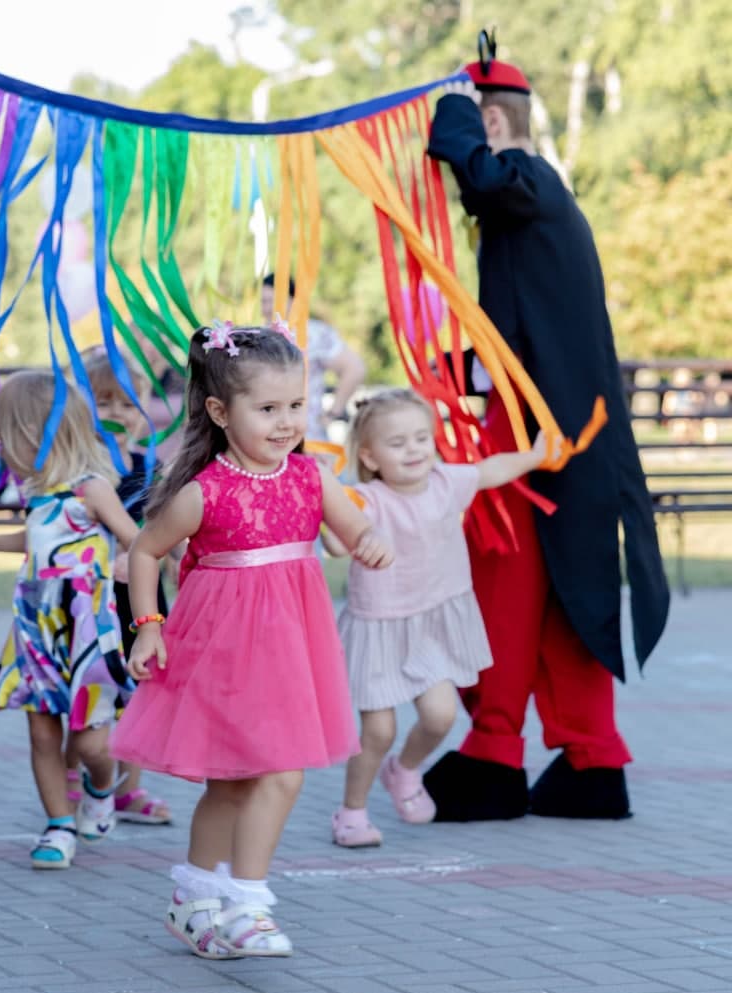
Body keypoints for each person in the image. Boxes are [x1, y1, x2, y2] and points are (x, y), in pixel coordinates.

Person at [420, 52, 669, 820]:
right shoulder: (540, 205)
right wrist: (466, 370)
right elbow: (529, 326)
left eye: (472, 133)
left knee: (504, 585)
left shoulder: (529, 183)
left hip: (543, 439)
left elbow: (489, 178)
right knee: (562, 595)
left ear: (493, 124)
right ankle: (591, 758)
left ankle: (497, 752)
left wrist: (455, 114)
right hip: (553, 429)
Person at [112, 322, 393, 958]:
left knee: (266, 777)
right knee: (248, 780)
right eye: (267, 409)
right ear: (219, 411)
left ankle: (211, 901)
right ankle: (232, 903)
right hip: (224, 652)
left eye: (295, 405)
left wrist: (372, 543)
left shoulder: (311, 477)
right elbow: (144, 551)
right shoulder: (202, 492)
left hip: (294, 651)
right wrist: (148, 626)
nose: (285, 421)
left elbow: (357, 528)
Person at [323, 389, 547, 847]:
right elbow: (333, 544)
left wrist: (535, 455)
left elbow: (491, 470)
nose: (414, 450)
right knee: (378, 731)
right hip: (380, 627)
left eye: (422, 438)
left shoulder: (446, 482)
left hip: (432, 624)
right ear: (369, 454)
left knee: (441, 716)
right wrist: (328, 511)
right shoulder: (366, 498)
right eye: (398, 442)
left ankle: (403, 771)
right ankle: (352, 811)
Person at [0, 370, 140, 870]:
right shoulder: (38, 493)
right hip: (37, 626)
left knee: (89, 741)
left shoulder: (92, 489)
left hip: (85, 627)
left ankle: (102, 786)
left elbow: (136, 539)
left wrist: (132, 564)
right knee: (41, 734)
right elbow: (39, 537)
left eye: (3, 436)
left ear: (35, 435)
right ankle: (58, 824)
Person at [58, 349, 173, 826]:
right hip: (89, 599)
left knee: (139, 692)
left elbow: (167, 529)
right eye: (105, 403)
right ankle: (70, 770)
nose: (120, 415)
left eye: (129, 404)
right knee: (89, 688)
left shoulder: (152, 467)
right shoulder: (76, 468)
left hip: (140, 599)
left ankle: (129, 787)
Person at [259, 274, 365, 442]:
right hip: (264, 437)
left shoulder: (313, 333)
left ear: (292, 300)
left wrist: (333, 413)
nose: (267, 307)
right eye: (263, 301)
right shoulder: (256, 336)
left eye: (273, 300)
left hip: (307, 437)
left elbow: (354, 368)